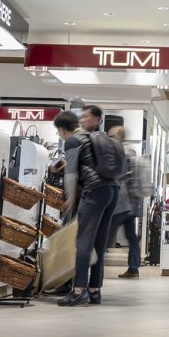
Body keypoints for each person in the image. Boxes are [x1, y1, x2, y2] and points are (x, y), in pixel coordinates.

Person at [53, 108, 119, 307]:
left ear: (62, 130)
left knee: (83, 241)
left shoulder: (72, 141)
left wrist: (71, 198)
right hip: (112, 190)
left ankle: (79, 290)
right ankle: (94, 290)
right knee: (98, 243)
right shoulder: (91, 137)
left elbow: (71, 174)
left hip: (95, 191)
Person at [107, 125, 142, 279]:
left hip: (120, 203)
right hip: (132, 204)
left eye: (111, 136)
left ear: (119, 137)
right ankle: (133, 268)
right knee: (132, 237)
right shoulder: (132, 152)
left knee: (105, 234)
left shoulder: (120, 153)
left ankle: (92, 266)